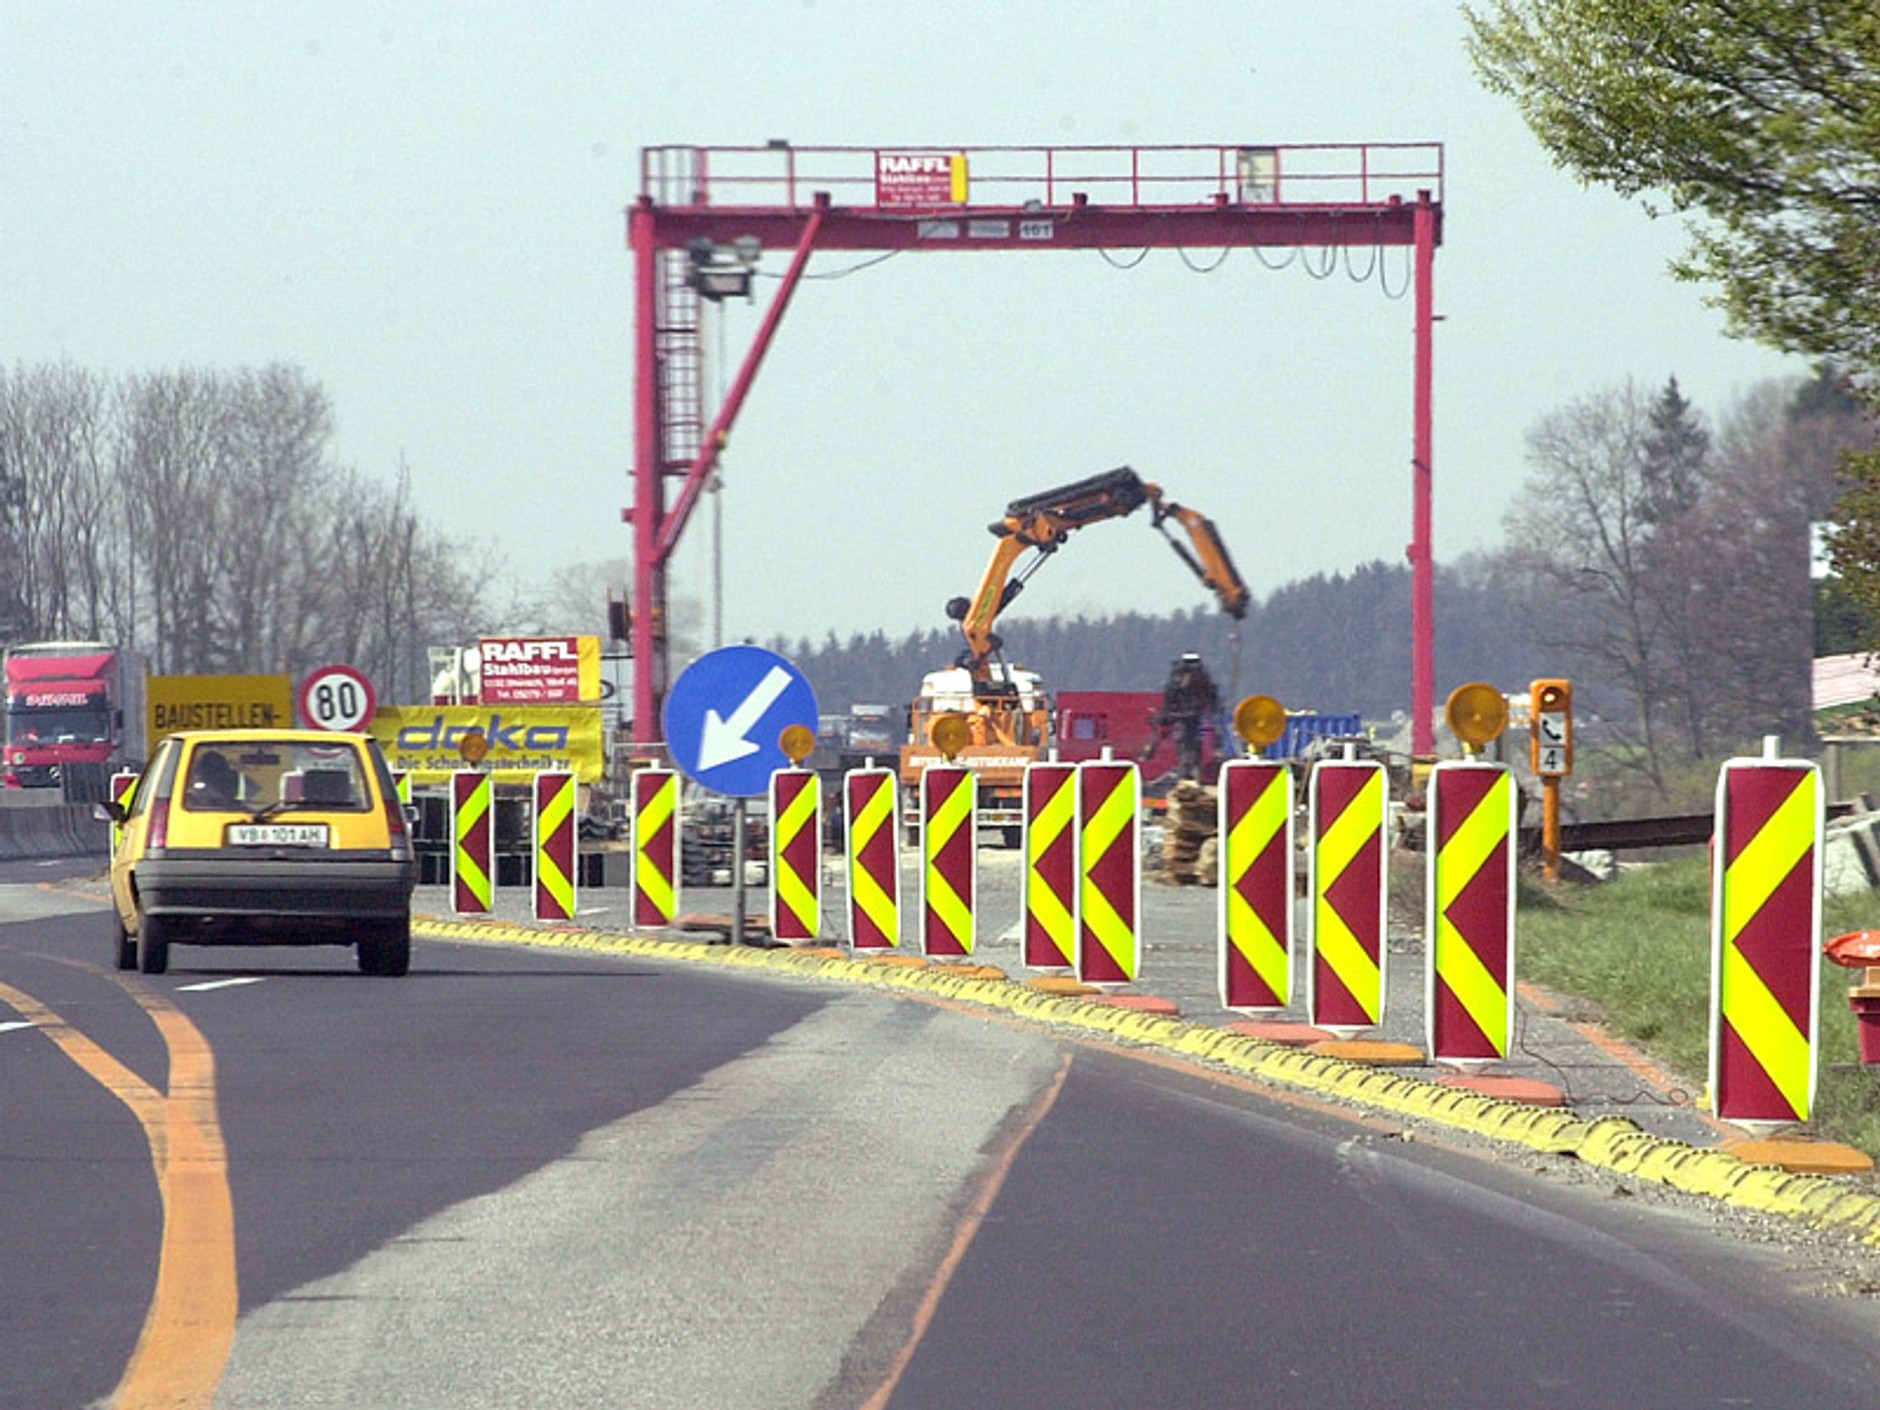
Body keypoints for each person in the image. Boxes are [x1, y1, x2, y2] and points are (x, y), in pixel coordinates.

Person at [1150, 652, 1221, 782]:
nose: (1192, 667)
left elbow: (1211, 698)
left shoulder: (1202, 678)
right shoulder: (1178, 679)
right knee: (1185, 741)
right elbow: (1170, 698)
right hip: (1182, 716)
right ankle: (1186, 768)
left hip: (1194, 717)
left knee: (1191, 742)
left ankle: (1189, 768)